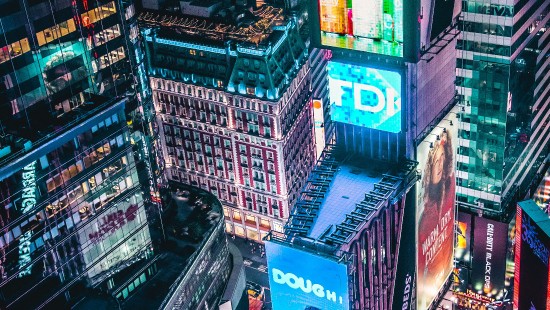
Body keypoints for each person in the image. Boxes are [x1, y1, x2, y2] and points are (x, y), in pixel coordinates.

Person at [417, 130, 455, 309]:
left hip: (443, 277)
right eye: (436, 161)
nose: (439, 165)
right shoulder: (423, 215)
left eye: (442, 159)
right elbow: (419, 266)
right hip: (430, 290)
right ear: (429, 164)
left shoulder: (450, 187)